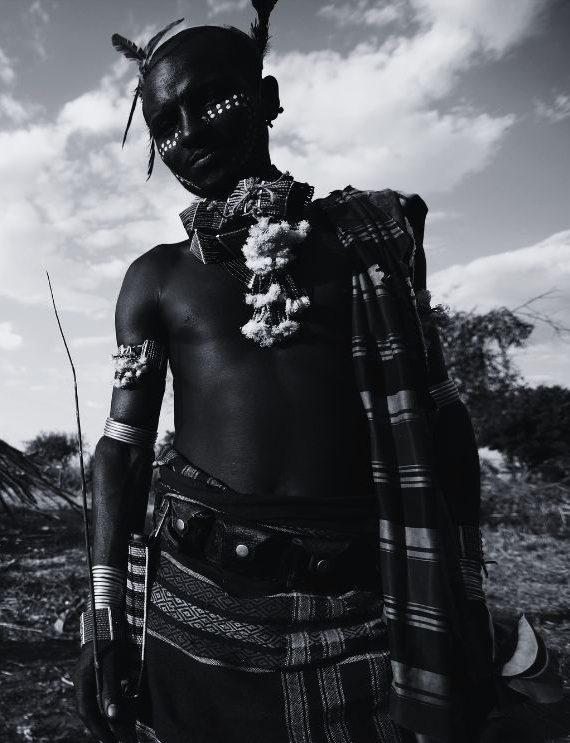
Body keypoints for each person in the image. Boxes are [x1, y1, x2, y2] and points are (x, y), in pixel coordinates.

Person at [75, 4, 496, 742]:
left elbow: (439, 414)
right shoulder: (157, 279)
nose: (190, 132)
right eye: (164, 125)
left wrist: (462, 590)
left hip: (363, 604)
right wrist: (105, 612)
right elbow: (121, 446)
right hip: (196, 603)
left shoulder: (372, 239)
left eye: (213, 99)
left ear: (268, 98)